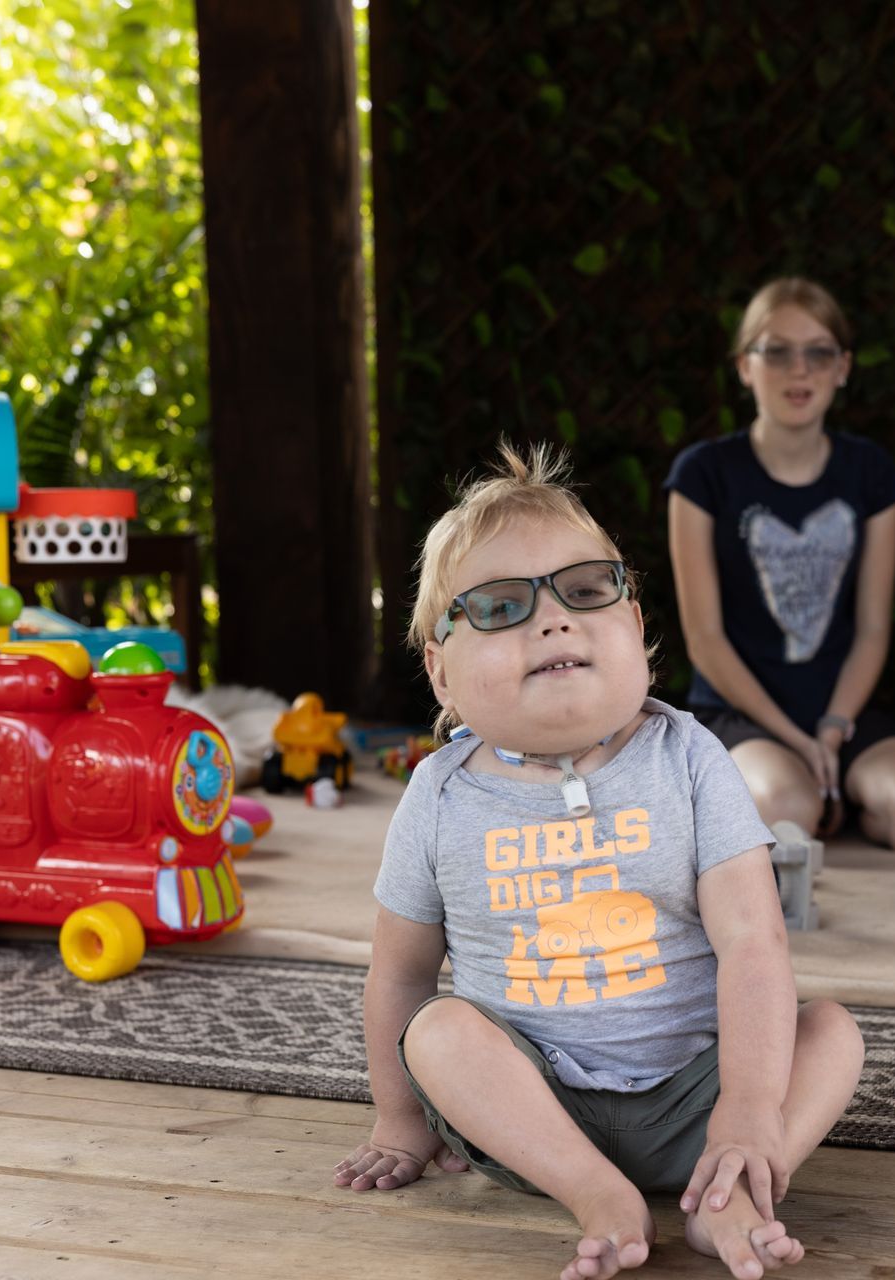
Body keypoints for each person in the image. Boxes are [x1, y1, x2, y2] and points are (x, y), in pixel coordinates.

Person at [334, 444, 865, 1280]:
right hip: (533, 1116)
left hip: (702, 1091)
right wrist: (399, 1121)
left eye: (586, 591)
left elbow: (754, 943)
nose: (554, 619)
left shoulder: (687, 757)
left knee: (831, 1032)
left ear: (638, 629)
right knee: (435, 1030)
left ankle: (732, 1182)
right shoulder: (437, 798)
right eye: (501, 605)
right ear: (440, 673)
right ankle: (595, 1194)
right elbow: (399, 976)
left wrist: (749, 1106)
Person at [664, 278, 895, 850]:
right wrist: (791, 737)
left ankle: (836, 790)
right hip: (741, 712)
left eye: (819, 352)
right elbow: (706, 641)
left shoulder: (868, 470)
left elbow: (872, 628)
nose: (801, 370)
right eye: (777, 351)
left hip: (840, 710)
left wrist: (831, 727)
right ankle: (807, 788)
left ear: (843, 367)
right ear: (745, 367)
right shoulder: (703, 474)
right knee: (786, 811)